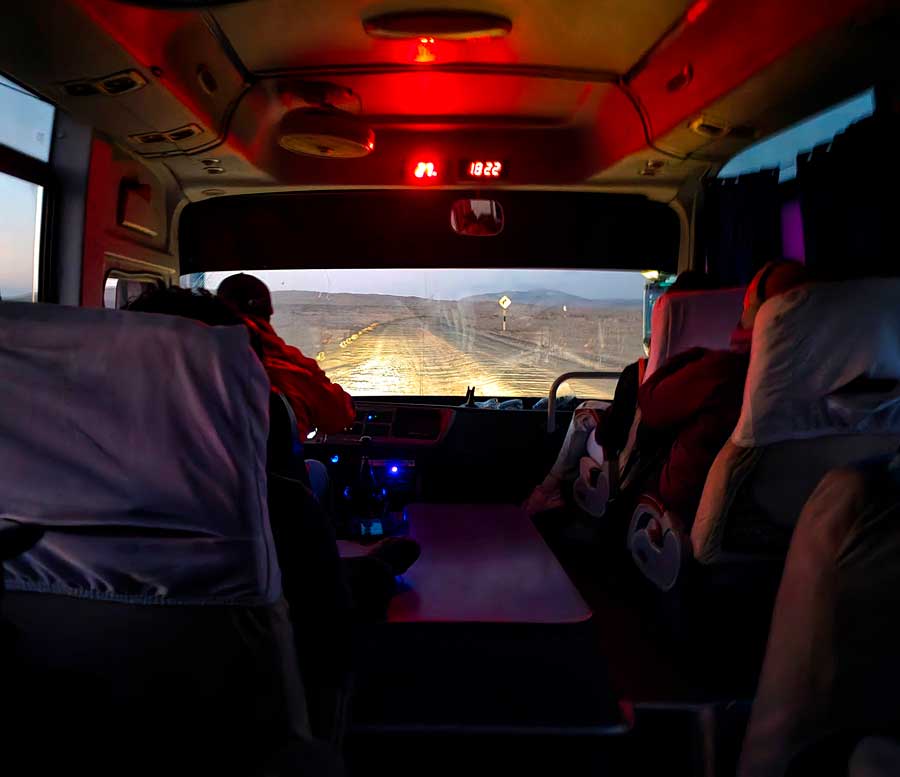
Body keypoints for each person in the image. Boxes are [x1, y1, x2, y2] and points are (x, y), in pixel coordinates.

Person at [524, 262, 809, 524]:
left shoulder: (717, 371)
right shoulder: (807, 378)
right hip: (779, 504)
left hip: (667, 485)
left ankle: (547, 489)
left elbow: (629, 422)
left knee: (583, 413)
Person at [523, 270, 714, 516]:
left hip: (635, 465)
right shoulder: (739, 371)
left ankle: (548, 489)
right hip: (700, 469)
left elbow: (609, 436)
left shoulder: (642, 374)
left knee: (583, 413)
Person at [216, 273, 355, 438]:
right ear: (269, 311)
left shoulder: (191, 363)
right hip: (271, 463)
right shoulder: (288, 366)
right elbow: (338, 416)